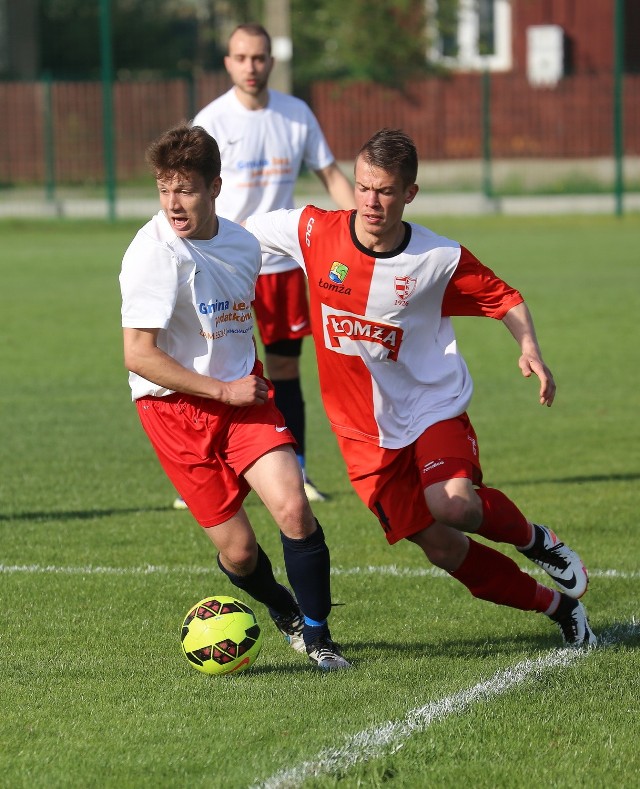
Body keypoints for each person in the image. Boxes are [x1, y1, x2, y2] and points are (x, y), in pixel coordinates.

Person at [245, 127, 597, 649]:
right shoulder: (314, 231)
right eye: (364, 186)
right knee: (442, 548)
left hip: (432, 406)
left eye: (385, 190)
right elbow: (233, 231)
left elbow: (504, 297)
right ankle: (558, 608)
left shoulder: (437, 258)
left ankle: (535, 539)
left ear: (409, 193)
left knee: (453, 505)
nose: (370, 201)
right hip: (362, 433)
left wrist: (530, 349)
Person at [119, 124, 350, 670]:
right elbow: (138, 355)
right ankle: (284, 610)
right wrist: (221, 387)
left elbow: (234, 323)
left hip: (245, 399)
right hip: (173, 410)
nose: (173, 203)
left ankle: (319, 639)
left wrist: (239, 385)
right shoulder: (153, 255)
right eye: (163, 188)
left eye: (186, 189)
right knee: (240, 552)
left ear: (215, 187)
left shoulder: (245, 245)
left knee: (294, 507)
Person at [177, 22, 355, 510]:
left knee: (284, 369)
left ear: (271, 61)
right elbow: (186, 189)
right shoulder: (210, 120)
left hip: (278, 265)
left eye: (259, 58)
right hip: (220, 265)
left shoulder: (296, 115)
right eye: (241, 58)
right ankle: (208, 471)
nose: (250, 67)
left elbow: (331, 174)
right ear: (228, 62)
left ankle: (295, 470)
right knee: (213, 365)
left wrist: (359, 229)